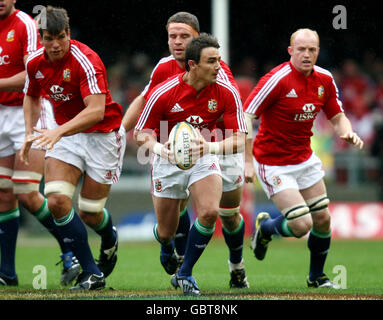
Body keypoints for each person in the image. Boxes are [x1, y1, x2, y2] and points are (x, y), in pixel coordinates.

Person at [123, 11, 249, 289]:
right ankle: (167, 244)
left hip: (206, 149)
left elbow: (241, 134)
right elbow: (142, 129)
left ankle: (187, 272)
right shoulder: (163, 82)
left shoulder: (225, 85)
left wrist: (211, 147)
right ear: (194, 64)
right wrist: (157, 147)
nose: (177, 42)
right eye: (173, 36)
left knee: (212, 212)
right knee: (166, 230)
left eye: (184, 36)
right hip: (167, 153)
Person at [244, 28, 364, 288]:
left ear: (318, 51)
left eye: (312, 50)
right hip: (272, 161)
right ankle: (266, 230)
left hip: (304, 160)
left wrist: (347, 132)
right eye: (301, 49)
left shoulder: (325, 79)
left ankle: (316, 277)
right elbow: (246, 115)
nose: (307, 54)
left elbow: (336, 115)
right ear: (290, 51)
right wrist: (245, 160)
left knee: (322, 220)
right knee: (301, 225)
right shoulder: (276, 79)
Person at [20, 6, 126, 290]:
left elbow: (96, 110)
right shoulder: (34, 64)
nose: (54, 45)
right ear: (40, 37)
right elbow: (31, 96)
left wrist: (57, 130)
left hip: (103, 136)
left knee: (90, 212)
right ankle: (92, 272)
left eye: (60, 37)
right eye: (48, 38)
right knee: (55, 200)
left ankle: (109, 237)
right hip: (66, 137)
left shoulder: (86, 59)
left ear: (68, 33)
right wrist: (30, 131)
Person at [0, 0, 80, 286]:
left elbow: (33, 72)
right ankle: (7, 273)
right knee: (3, 194)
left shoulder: (26, 25)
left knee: (25, 191)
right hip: (1, 115)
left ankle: (71, 247)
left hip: (31, 109)